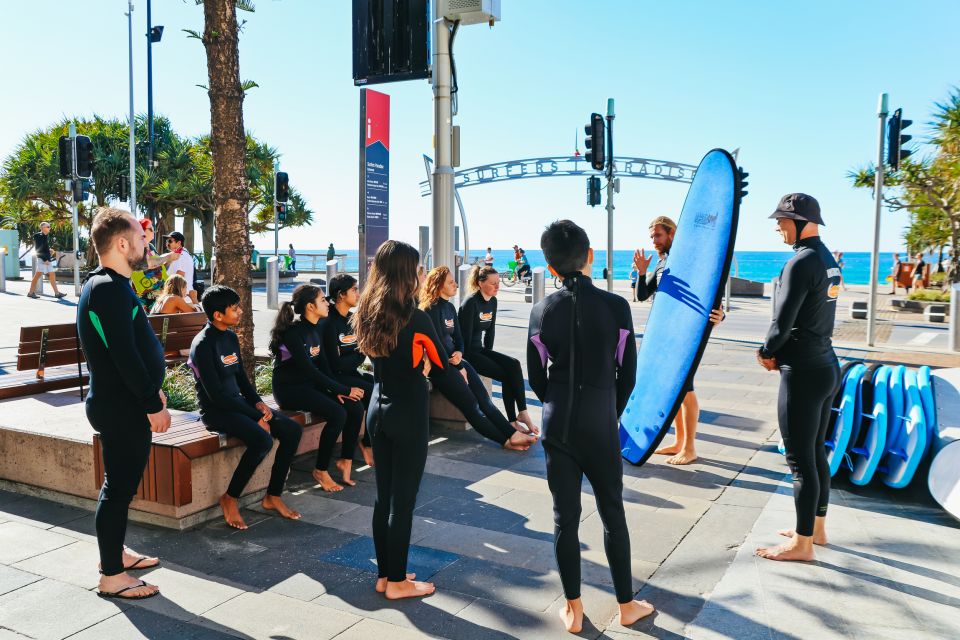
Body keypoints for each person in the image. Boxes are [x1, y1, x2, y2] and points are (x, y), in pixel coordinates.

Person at [528, 220, 653, 633]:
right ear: (590, 257)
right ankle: (627, 606)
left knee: (565, 516)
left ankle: (574, 609)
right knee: (612, 512)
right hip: (601, 421)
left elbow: (536, 375)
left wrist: (558, 400)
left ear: (549, 265)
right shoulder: (617, 307)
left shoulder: (542, 310)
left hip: (557, 422)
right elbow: (628, 374)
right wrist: (607, 410)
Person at [78, 207, 170, 600]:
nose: (146, 241)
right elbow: (124, 356)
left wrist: (154, 389)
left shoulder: (113, 285)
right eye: (140, 235)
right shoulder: (107, 289)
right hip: (122, 407)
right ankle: (112, 577)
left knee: (119, 489)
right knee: (117, 490)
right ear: (120, 243)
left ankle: (114, 554)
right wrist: (153, 403)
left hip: (123, 402)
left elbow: (131, 348)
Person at [353, 240, 445, 600]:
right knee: (402, 503)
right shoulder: (416, 317)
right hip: (408, 412)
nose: (422, 275)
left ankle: (386, 574)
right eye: (418, 269)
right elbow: (440, 363)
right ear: (408, 275)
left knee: (384, 498)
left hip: (377, 409)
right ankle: (397, 584)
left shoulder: (366, 310)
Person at [755, 193, 841, 562]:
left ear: (802, 221)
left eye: (783, 221)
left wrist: (766, 351)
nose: (778, 227)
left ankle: (802, 544)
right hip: (826, 366)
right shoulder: (828, 260)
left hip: (803, 373)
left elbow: (782, 322)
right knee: (816, 453)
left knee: (799, 461)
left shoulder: (800, 262)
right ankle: (815, 529)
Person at [189, 285, 303, 530]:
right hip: (216, 412)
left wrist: (258, 403)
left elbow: (240, 377)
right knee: (262, 440)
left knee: (292, 431)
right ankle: (230, 498)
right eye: (234, 308)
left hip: (238, 405)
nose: (240, 311)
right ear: (218, 315)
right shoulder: (203, 345)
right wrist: (255, 417)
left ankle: (273, 496)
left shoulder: (229, 336)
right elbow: (216, 396)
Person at [633, 216, 725, 465]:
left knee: (686, 389)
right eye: (652, 236)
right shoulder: (663, 263)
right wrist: (642, 273)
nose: (654, 241)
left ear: (672, 234)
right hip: (667, 335)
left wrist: (720, 313)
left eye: (658, 236)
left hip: (685, 335)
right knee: (676, 390)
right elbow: (642, 295)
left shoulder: (688, 260)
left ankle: (690, 448)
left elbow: (708, 284)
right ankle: (678, 442)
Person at [420, 266, 538, 450]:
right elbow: (436, 345)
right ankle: (506, 440)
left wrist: (459, 354)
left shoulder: (450, 307)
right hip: (441, 368)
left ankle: (511, 432)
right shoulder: (430, 310)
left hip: (457, 361)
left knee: (485, 401)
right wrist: (459, 367)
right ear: (438, 285)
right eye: (451, 282)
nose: (456, 285)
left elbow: (458, 339)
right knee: (472, 407)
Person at [270, 284, 365, 491]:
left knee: (354, 407)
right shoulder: (294, 333)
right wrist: (343, 390)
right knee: (338, 414)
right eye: (323, 300)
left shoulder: (315, 330)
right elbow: (309, 371)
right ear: (310, 307)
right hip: (289, 390)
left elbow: (324, 369)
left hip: (309, 386)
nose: (327, 303)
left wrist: (337, 390)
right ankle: (321, 470)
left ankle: (343, 461)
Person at [459, 265, 539, 435]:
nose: (497, 286)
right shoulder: (470, 303)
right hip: (468, 354)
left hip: (480, 350)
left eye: (498, 282)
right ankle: (512, 421)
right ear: (480, 284)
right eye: (492, 283)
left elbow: (490, 332)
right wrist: (465, 366)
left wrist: (491, 355)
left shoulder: (493, 302)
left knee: (514, 364)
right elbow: (463, 340)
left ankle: (522, 412)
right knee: (505, 374)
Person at [324, 274, 375, 467]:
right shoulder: (328, 322)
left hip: (349, 373)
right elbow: (335, 365)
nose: (358, 293)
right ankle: (359, 449)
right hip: (334, 377)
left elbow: (362, 352)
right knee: (369, 394)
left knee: (378, 385)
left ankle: (367, 442)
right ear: (341, 295)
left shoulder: (353, 319)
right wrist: (356, 353)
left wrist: (353, 354)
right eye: (354, 290)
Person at [131, 219, 177, 308]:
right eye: (151, 229)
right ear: (142, 230)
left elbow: (159, 267)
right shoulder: (136, 247)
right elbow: (149, 263)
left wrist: (171, 260)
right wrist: (168, 257)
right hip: (145, 292)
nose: (154, 231)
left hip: (159, 291)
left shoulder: (151, 247)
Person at [27, 222, 67, 299]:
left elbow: (43, 248)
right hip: (43, 260)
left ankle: (56, 293)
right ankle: (31, 292)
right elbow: (38, 249)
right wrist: (45, 259)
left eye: (49, 226)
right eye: (48, 227)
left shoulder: (44, 236)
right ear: (42, 228)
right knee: (41, 276)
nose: (49, 228)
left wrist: (49, 251)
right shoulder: (39, 236)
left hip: (44, 259)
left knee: (47, 275)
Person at [164, 231, 197, 304]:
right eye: (167, 241)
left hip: (181, 298)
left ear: (179, 243)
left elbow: (179, 277)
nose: (167, 243)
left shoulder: (182, 256)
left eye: (170, 241)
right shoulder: (179, 255)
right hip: (180, 297)